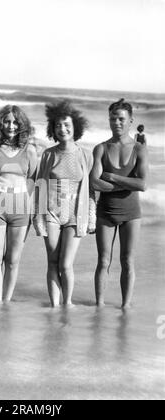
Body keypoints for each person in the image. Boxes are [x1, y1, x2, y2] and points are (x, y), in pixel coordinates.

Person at [33, 100, 96, 307]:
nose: (62, 129)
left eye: (67, 125)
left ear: (75, 127)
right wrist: (38, 217)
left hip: (75, 215)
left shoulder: (85, 155)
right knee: (52, 262)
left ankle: (68, 303)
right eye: (58, 125)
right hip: (51, 213)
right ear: (53, 129)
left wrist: (91, 218)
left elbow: (91, 191)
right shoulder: (49, 154)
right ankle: (54, 305)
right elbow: (40, 186)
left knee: (66, 264)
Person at [90, 98, 148, 309]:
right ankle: (99, 307)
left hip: (132, 214)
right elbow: (95, 183)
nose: (117, 123)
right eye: (113, 118)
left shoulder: (139, 149)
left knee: (127, 261)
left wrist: (113, 178)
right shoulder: (101, 149)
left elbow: (141, 184)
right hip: (105, 212)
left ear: (130, 120)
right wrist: (127, 184)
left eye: (121, 119)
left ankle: (125, 308)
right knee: (103, 261)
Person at [0, 105, 38, 304]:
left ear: (21, 125)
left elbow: (33, 180)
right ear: (0, 123)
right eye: (7, 121)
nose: (11, 126)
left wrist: (29, 208)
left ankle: (7, 301)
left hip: (20, 208)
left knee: (12, 261)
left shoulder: (29, 150)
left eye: (15, 122)